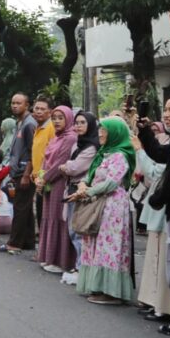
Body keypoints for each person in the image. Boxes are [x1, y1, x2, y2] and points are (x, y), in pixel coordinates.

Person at [67, 117, 135, 305]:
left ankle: (111, 292)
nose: (100, 134)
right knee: (95, 244)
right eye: (100, 130)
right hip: (99, 203)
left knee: (109, 246)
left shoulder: (120, 155)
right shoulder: (104, 153)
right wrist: (83, 185)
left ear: (115, 133)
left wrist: (87, 192)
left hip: (113, 207)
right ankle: (97, 286)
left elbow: (111, 183)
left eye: (104, 130)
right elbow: (91, 175)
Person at [138, 95, 170, 336]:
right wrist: (145, 132)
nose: (167, 114)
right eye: (166, 109)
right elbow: (160, 153)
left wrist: (158, 199)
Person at [131, 123, 170, 321]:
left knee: (163, 258)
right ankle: (153, 301)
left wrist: (140, 150)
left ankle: (162, 306)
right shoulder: (168, 142)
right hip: (159, 206)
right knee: (154, 256)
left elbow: (156, 172)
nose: (167, 116)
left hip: (166, 208)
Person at [34, 106, 79, 273]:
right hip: (48, 183)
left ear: (68, 119)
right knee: (48, 217)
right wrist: (40, 178)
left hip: (60, 183)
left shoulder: (70, 138)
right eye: (54, 118)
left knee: (58, 219)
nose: (57, 121)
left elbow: (61, 162)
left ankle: (61, 261)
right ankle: (49, 257)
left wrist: (44, 178)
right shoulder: (56, 137)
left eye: (61, 118)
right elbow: (46, 161)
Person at [58, 111, 100, 285]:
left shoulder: (92, 147)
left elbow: (74, 168)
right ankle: (79, 266)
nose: (79, 126)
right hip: (72, 188)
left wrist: (65, 166)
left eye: (83, 122)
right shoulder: (78, 144)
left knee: (78, 230)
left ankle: (81, 268)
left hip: (81, 192)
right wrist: (67, 166)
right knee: (72, 229)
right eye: (76, 122)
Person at [2, 93, 38, 254]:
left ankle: (14, 243)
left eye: (18, 103)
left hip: (25, 172)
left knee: (20, 207)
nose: (15, 106)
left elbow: (32, 152)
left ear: (27, 105)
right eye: (13, 103)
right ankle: (28, 242)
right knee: (25, 208)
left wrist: (26, 175)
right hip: (17, 171)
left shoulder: (29, 124)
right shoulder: (20, 123)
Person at [30, 95, 54, 230]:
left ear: (50, 112)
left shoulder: (51, 128)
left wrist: (43, 176)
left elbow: (52, 156)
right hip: (38, 178)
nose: (38, 111)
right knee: (40, 215)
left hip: (47, 180)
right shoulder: (38, 128)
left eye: (42, 109)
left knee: (44, 216)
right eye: (36, 108)